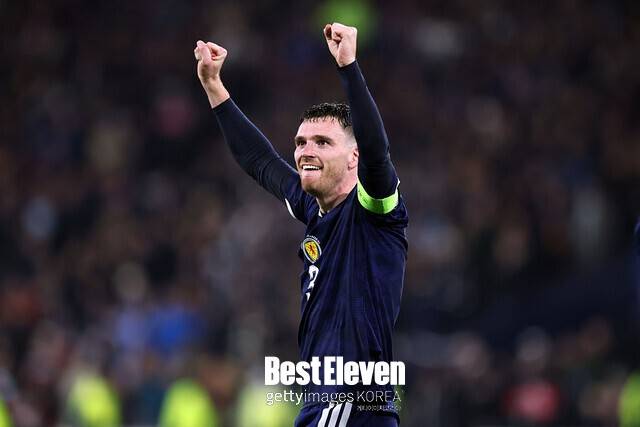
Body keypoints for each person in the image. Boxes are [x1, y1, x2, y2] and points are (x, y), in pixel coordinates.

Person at [194, 22, 408, 427]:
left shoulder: (374, 213)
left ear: (354, 158)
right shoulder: (315, 210)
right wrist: (214, 87)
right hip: (327, 403)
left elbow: (377, 152)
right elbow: (260, 161)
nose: (306, 151)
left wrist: (349, 67)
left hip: (349, 404)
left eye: (322, 142)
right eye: (300, 142)